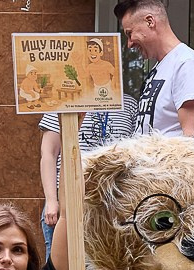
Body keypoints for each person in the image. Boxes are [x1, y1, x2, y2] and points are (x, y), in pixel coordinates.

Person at [37, 102, 138, 245]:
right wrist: (51, 200)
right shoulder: (63, 102)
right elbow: (49, 153)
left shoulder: (128, 105)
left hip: (113, 201)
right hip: (67, 197)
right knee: (60, 257)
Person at [116, 0, 194, 138]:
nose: (129, 44)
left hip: (172, 154)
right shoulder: (162, 66)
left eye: (130, 34)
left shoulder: (187, 63)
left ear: (150, 22)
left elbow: (191, 136)